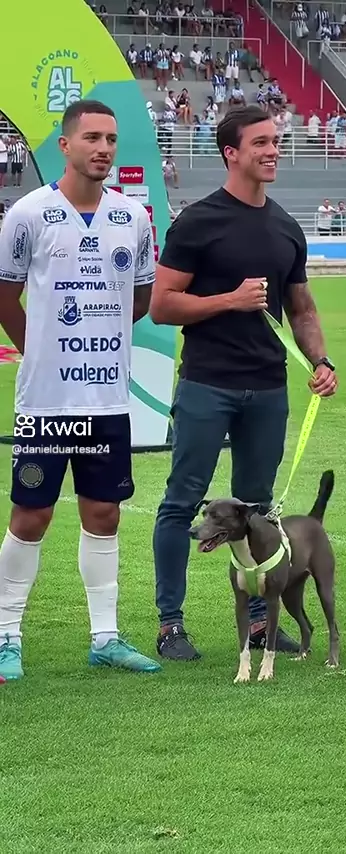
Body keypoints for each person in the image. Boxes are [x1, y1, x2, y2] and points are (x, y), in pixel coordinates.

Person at [149, 105, 338, 660]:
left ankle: (260, 621)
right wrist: (229, 299)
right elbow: (162, 305)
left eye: (275, 141)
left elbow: (301, 308)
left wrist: (320, 360)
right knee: (183, 502)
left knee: (257, 509)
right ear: (231, 152)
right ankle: (170, 625)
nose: (273, 150)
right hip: (207, 385)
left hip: (268, 389)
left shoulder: (285, 227)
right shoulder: (198, 222)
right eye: (260, 143)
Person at [0, 100, 161, 680]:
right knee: (31, 515)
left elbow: (140, 298)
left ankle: (106, 637)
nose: (104, 148)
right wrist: (42, 349)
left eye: (111, 139)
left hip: (107, 400)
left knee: (104, 512)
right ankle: (5, 635)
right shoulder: (28, 214)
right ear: (65, 146)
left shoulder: (132, 217)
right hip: (46, 399)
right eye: (92, 137)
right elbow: (5, 296)